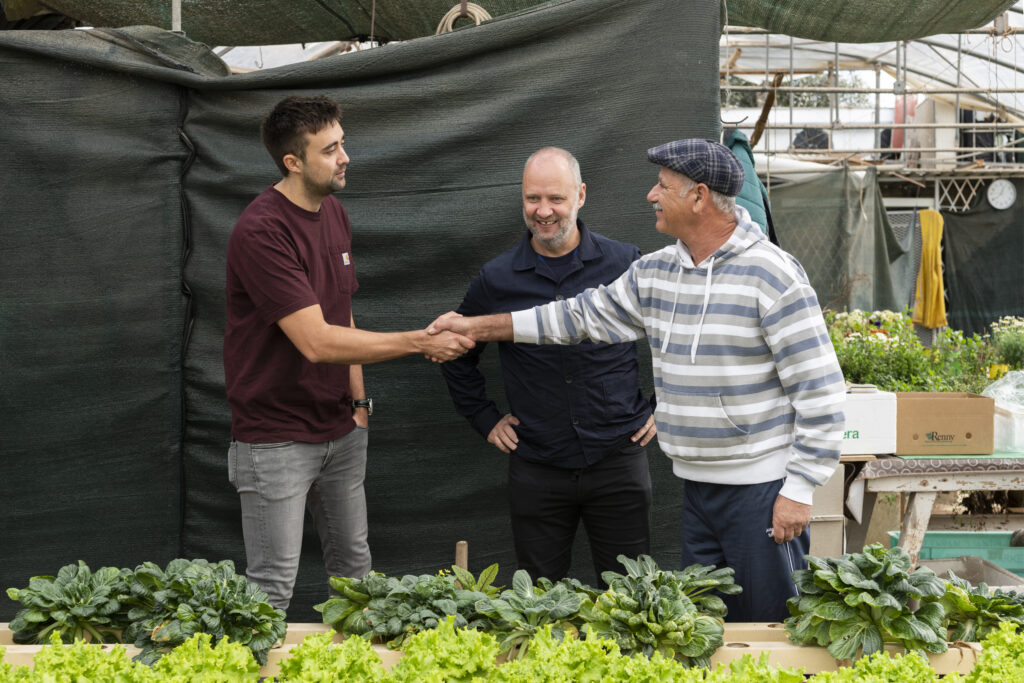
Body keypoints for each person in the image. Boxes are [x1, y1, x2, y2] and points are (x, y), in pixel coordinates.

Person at [429, 138, 845, 621]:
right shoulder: (656, 272)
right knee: (707, 632)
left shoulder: (771, 275)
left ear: (698, 197)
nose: (650, 194)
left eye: (663, 186)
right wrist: (476, 326)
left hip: (761, 491)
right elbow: (575, 318)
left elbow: (821, 391)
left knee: (770, 629)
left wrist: (799, 490)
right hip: (697, 490)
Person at [223, 95, 473, 611]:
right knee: (269, 590)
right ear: (293, 162)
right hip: (275, 441)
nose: (345, 157)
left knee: (356, 581)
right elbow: (316, 341)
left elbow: (342, 312)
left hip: (340, 431)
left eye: (343, 143)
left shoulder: (333, 213)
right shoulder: (262, 230)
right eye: (330, 149)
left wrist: (358, 407)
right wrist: (419, 341)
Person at [440, 147, 657, 587]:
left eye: (555, 199)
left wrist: (664, 406)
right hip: (538, 466)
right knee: (539, 599)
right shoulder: (497, 278)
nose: (543, 211)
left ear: (580, 196)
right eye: (532, 199)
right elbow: (456, 351)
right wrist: (485, 419)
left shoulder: (625, 264)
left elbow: (679, 337)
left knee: (633, 597)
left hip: (617, 458)